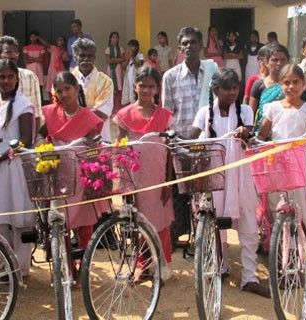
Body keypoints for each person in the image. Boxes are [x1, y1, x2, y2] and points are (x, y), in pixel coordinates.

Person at [188, 68, 270, 297]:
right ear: (215, 89)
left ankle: (249, 277)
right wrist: (177, 137)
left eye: (235, 87)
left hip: (241, 176)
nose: (232, 92)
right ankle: (221, 266)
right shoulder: (204, 113)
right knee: (215, 224)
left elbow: (251, 137)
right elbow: (191, 136)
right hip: (215, 177)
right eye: (226, 87)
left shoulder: (244, 110)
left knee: (248, 226)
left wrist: (246, 132)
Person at [114, 66, 174, 280]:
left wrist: (168, 182)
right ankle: (142, 265)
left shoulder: (165, 116)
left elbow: (169, 152)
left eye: (151, 86)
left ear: (157, 89)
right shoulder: (124, 115)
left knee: (161, 224)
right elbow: (120, 149)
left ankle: (161, 265)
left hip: (158, 178)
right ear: (134, 87)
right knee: (137, 223)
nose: (147, 90)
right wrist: (124, 183)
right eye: (143, 86)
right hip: (135, 178)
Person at [162, 26, 218, 247]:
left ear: (201, 45)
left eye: (193, 42)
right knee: (181, 192)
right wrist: (173, 139)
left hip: (207, 142)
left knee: (207, 191)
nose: (188, 47)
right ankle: (179, 234)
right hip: (182, 143)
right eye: (184, 43)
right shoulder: (170, 76)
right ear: (179, 48)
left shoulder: (212, 72)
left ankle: (206, 235)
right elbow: (166, 113)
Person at [39, 71, 106, 251]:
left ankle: (84, 264)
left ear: (77, 88)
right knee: (62, 226)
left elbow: (95, 145)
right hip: (59, 178)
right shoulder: (51, 114)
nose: (64, 94)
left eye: (67, 89)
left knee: (85, 227)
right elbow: (40, 136)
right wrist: (41, 149)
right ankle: (69, 267)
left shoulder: (88, 117)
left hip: (82, 178)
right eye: (59, 91)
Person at [0, 59, 36, 277]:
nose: (6, 81)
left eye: (10, 76)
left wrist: (3, 157)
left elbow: (25, 142)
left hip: (15, 168)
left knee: (19, 218)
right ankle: (6, 264)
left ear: (17, 79)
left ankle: (20, 268)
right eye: (1, 76)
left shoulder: (24, 105)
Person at [256, 63, 306, 244]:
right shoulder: (273, 108)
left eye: (295, 82)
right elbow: (262, 134)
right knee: (278, 205)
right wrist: (255, 141)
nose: (291, 87)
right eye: (286, 82)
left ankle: (302, 248)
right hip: (278, 165)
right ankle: (279, 245)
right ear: (280, 84)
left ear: (303, 84)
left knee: (301, 206)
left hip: (301, 164)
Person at [0, 36, 42, 121]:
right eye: (8, 52)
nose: (13, 56)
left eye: (15, 52)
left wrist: (35, 134)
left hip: (26, 129)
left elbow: (37, 111)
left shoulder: (30, 77)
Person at [70, 38, 114, 140]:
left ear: (95, 57)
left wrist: (74, 113)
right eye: (82, 55)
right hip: (74, 137)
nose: (86, 59)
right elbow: (62, 111)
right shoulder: (66, 81)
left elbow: (102, 114)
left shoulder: (106, 81)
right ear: (75, 57)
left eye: (90, 56)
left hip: (100, 136)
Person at [248, 43, 290, 129]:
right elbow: (250, 115)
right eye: (274, 60)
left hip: (286, 134)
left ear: (288, 62)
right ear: (266, 62)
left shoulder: (293, 86)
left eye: (283, 60)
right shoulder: (258, 85)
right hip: (262, 136)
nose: (279, 63)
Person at [105, 31, 124, 113]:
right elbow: (108, 60)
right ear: (110, 39)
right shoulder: (108, 49)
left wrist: (114, 60)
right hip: (111, 69)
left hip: (118, 69)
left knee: (119, 89)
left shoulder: (121, 48)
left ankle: (117, 107)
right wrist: (117, 60)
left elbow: (123, 59)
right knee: (111, 89)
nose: (115, 39)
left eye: (116, 37)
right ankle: (111, 108)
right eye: (113, 37)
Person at [23, 31, 47, 96]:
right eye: (31, 37)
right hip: (29, 70)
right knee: (29, 88)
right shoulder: (26, 48)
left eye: (34, 36)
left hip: (39, 70)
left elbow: (41, 59)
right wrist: (36, 59)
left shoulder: (41, 47)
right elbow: (25, 60)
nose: (33, 38)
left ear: (37, 38)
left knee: (39, 88)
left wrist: (31, 58)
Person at [121, 39, 144, 106]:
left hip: (136, 76)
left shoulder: (140, 55)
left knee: (134, 91)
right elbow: (124, 67)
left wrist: (132, 57)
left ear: (136, 47)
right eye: (129, 47)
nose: (130, 48)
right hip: (128, 76)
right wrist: (128, 59)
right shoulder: (128, 55)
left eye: (132, 46)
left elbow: (139, 67)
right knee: (129, 90)